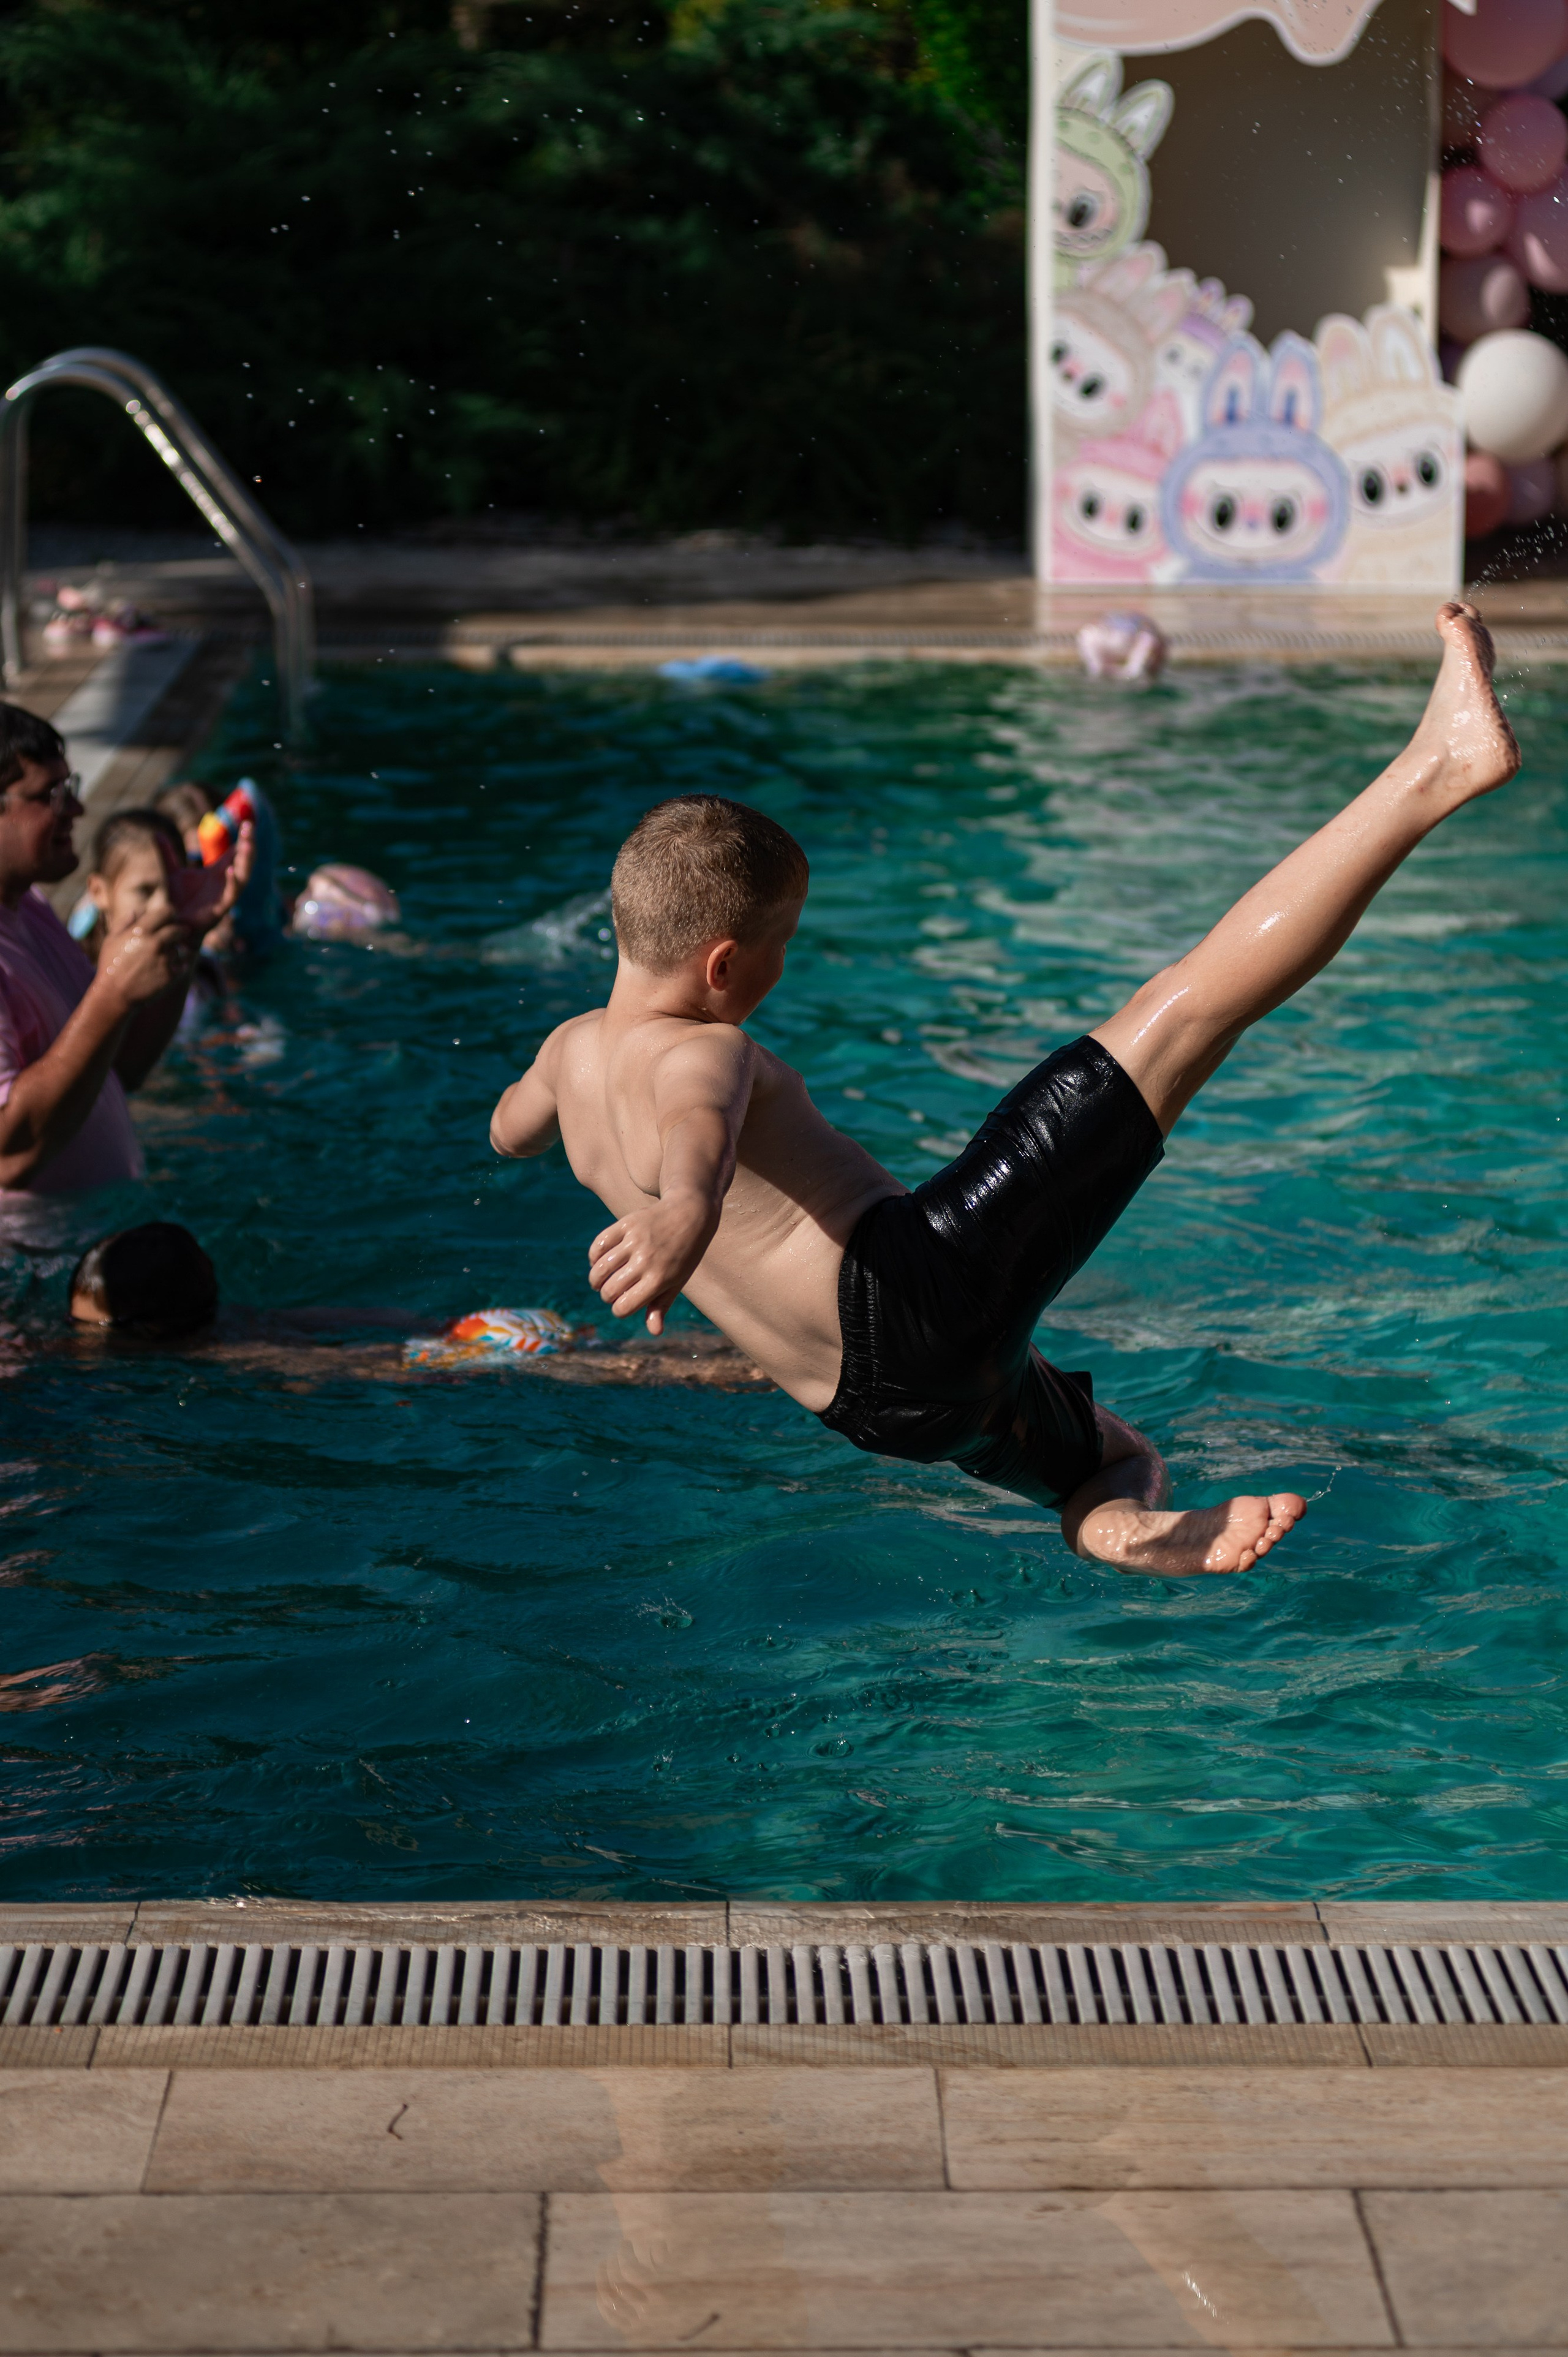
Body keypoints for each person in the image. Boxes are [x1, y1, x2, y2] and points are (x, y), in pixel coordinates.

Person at [489, 602, 1520, 1578]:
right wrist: (681, 1215)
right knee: (1187, 1009)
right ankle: (1438, 766)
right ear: (723, 966)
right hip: (914, 1290)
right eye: (781, 946)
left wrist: (560, 1129)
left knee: (1113, 1458)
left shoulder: (567, 1057)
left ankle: (1121, 1526)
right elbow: (695, 1130)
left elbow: (510, 1135)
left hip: (876, 1407)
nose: (781, 966)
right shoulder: (702, 1050)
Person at [0, 706, 249, 1231]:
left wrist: (187, 934)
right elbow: (11, 1156)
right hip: (31, 1279)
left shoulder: (30, 909)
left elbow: (120, 1068)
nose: (77, 808)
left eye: (71, 787)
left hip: (86, 1243)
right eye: (51, 795)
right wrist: (111, 993)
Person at [61, 1220, 769, 1388]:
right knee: (618, 1355)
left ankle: (764, 1366)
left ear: (151, 1327)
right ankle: (765, 1351)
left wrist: (432, 1359)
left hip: (468, 1348)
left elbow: (372, 1361)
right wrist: (439, 1332)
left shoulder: (231, 1347)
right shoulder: (247, 1315)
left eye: (97, 1334)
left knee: (628, 1370)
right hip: (474, 1328)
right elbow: (361, 1323)